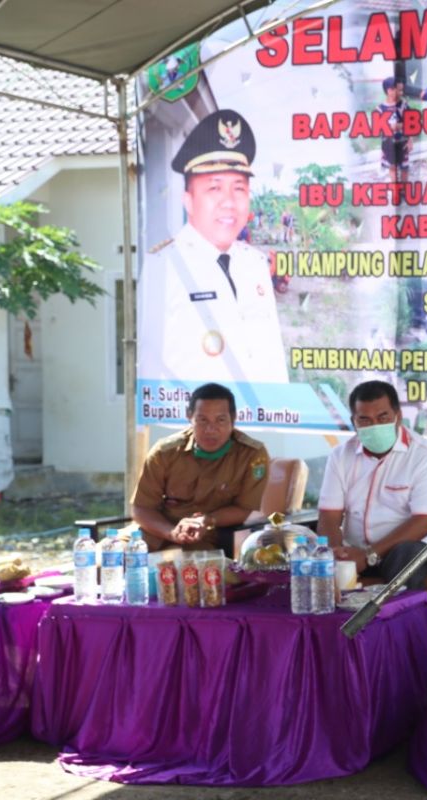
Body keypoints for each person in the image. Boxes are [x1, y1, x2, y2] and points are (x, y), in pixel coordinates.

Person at [138, 109, 288, 384]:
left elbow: (272, 358)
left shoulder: (254, 264)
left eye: (239, 188)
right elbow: (149, 369)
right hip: (197, 425)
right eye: (214, 188)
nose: (229, 202)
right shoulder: (163, 265)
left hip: (261, 422)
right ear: (188, 200)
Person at [318, 381, 427, 590]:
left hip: (410, 554)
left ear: (397, 416)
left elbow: (424, 523)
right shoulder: (341, 456)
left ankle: (402, 622)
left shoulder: (424, 456)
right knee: (309, 556)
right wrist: (336, 552)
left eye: (382, 417)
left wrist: (370, 555)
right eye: (365, 420)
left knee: (407, 556)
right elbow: (329, 517)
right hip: (357, 554)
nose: (375, 426)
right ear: (354, 421)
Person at [132, 383, 270, 552]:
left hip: (205, 539)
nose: (210, 429)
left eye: (220, 420)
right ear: (189, 417)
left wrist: (207, 520)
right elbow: (141, 508)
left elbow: (244, 508)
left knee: (187, 569)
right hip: (154, 533)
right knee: (106, 555)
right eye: (202, 420)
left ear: (233, 419)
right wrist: (171, 533)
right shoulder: (164, 452)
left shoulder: (252, 455)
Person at [380, 76, 411, 182]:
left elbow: (411, 123)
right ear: (389, 91)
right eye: (399, 90)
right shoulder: (380, 109)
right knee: (392, 167)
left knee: (405, 167)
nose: (401, 93)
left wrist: (410, 140)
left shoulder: (404, 106)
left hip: (403, 143)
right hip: (388, 144)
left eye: (402, 90)